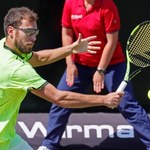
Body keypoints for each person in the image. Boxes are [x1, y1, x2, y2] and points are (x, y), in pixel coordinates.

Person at [0, 6, 124, 150]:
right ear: (11, 31)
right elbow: (60, 98)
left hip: (7, 138)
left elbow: (39, 58)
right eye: (28, 32)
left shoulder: (5, 45)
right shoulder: (17, 70)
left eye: (35, 32)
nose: (33, 38)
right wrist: (104, 100)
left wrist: (71, 49)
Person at [38, 0, 150, 150]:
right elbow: (66, 32)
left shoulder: (108, 6)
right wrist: (70, 63)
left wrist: (101, 70)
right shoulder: (70, 3)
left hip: (111, 65)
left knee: (126, 104)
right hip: (79, 65)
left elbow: (112, 41)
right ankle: (49, 144)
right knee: (59, 101)